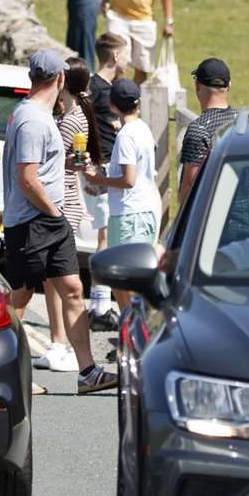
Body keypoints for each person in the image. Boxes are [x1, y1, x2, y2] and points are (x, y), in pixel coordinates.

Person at [2, 49, 115, 394]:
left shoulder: (39, 115)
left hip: (48, 220)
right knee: (18, 300)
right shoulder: (33, 120)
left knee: (72, 289)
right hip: (34, 221)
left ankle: (87, 372)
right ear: (61, 79)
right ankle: (5, 374)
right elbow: (28, 178)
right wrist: (53, 212)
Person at [35, 59, 103, 373]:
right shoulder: (67, 114)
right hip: (59, 198)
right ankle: (58, 340)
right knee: (52, 277)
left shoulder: (73, 119)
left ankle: (61, 342)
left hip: (64, 202)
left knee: (59, 277)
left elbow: (57, 160)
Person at [84, 79, 160, 310]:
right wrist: (103, 185)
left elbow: (128, 180)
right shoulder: (142, 128)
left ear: (112, 105)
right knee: (126, 283)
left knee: (124, 282)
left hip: (129, 216)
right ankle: (131, 333)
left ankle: (136, 334)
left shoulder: (127, 136)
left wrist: (98, 179)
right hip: (141, 212)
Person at [84, 32, 127, 326]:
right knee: (104, 237)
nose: (129, 59)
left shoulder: (106, 88)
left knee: (106, 235)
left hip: (108, 167)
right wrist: (92, 168)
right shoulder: (96, 88)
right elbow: (85, 128)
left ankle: (101, 302)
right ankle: (100, 306)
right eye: (126, 53)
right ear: (114, 55)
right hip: (104, 167)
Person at [178, 57, 237, 205]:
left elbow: (188, 191)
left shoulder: (199, 130)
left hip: (211, 222)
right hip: (244, 220)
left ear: (197, 85)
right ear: (228, 86)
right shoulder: (242, 122)